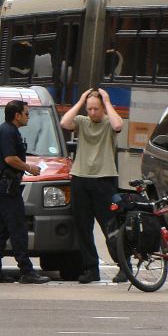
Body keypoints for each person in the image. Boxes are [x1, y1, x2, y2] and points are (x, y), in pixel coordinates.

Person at [60, 88, 124, 284]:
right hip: (80, 177)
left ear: (103, 108)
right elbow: (64, 122)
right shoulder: (83, 121)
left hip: (104, 178)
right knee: (83, 226)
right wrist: (80, 102)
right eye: (90, 109)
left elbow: (118, 125)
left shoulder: (108, 122)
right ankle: (90, 268)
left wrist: (106, 100)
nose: (93, 113)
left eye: (96, 108)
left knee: (110, 225)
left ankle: (124, 265)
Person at [0, 100, 50, 285]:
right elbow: (10, 158)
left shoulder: (3, 130)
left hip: (1, 186)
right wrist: (29, 167)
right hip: (6, 187)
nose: (28, 117)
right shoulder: (8, 132)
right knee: (18, 229)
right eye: (26, 113)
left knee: (1, 229)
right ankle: (26, 271)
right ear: (17, 115)